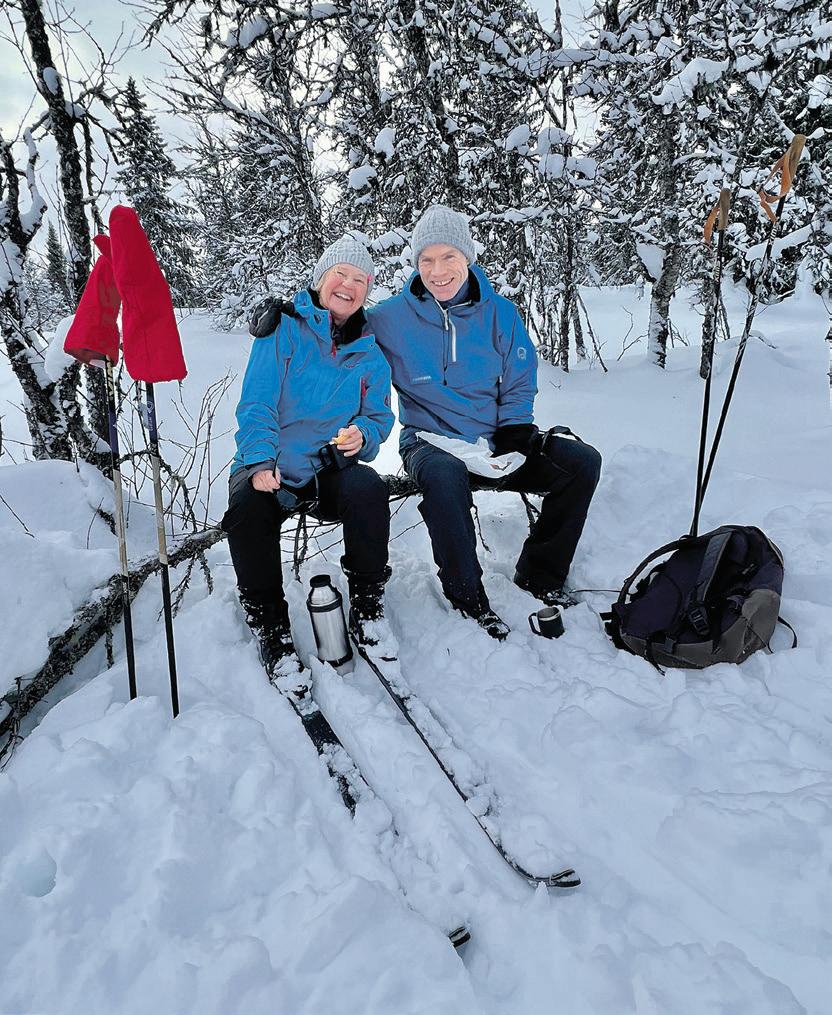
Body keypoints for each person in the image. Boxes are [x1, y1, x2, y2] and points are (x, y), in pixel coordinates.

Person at [367, 205, 602, 639]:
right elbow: (334, 329)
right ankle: (468, 598)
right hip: (429, 441)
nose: (437, 271)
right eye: (426, 260)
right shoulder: (387, 318)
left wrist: (515, 429)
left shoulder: (500, 313)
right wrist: (290, 317)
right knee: (443, 476)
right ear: (415, 264)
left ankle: (540, 575)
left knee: (581, 462)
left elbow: (519, 377)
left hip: (496, 440)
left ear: (468, 257)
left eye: (448, 257)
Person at [223, 235, 394, 676]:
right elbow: (257, 403)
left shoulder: (371, 353)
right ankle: (270, 625)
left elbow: (378, 416)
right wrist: (260, 462)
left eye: (360, 280)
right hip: (270, 462)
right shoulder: (282, 328)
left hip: (326, 470)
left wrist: (364, 434)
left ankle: (369, 605)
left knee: (369, 489)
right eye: (341, 273)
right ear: (321, 278)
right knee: (246, 510)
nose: (348, 285)